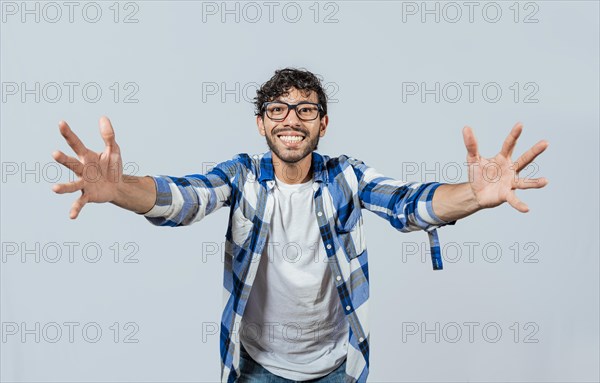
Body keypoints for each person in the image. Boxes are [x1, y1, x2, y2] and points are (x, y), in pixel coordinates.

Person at [51, 68, 549, 383]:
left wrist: (475, 197)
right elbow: (185, 198)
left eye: (306, 109)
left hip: (337, 368)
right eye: (278, 110)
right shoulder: (242, 176)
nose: (292, 119)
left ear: (322, 123)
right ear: (262, 124)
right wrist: (119, 190)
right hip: (255, 369)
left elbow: (409, 204)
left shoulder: (347, 177)